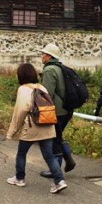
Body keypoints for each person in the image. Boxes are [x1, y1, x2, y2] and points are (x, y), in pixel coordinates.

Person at [6, 63, 68, 194]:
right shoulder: (42, 87)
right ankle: (59, 181)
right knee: (49, 156)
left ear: (21, 76)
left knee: (22, 153)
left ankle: (19, 178)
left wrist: (11, 132)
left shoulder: (23, 89)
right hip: (48, 125)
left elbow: (20, 111)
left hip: (32, 127)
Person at [38, 43, 77, 178]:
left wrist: (40, 111)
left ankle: (55, 170)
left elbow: (46, 94)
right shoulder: (61, 68)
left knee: (54, 139)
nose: (42, 56)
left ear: (49, 56)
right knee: (58, 136)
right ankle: (68, 159)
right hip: (66, 109)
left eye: (43, 54)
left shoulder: (49, 70)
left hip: (56, 111)